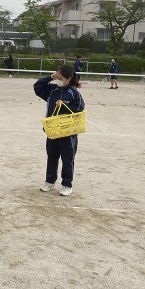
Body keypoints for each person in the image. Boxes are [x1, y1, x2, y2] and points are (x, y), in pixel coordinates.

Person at [33, 65, 85, 197]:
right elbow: (37, 87)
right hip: (53, 130)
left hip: (68, 132)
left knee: (67, 159)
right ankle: (50, 181)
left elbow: (79, 108)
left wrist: (64, 105)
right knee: (52, 157)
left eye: (60, 78)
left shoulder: (74, 93)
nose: (58, 79)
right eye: (56, 76)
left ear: (68, 79)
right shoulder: (52, 90)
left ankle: (67, 184)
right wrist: (50, 78)